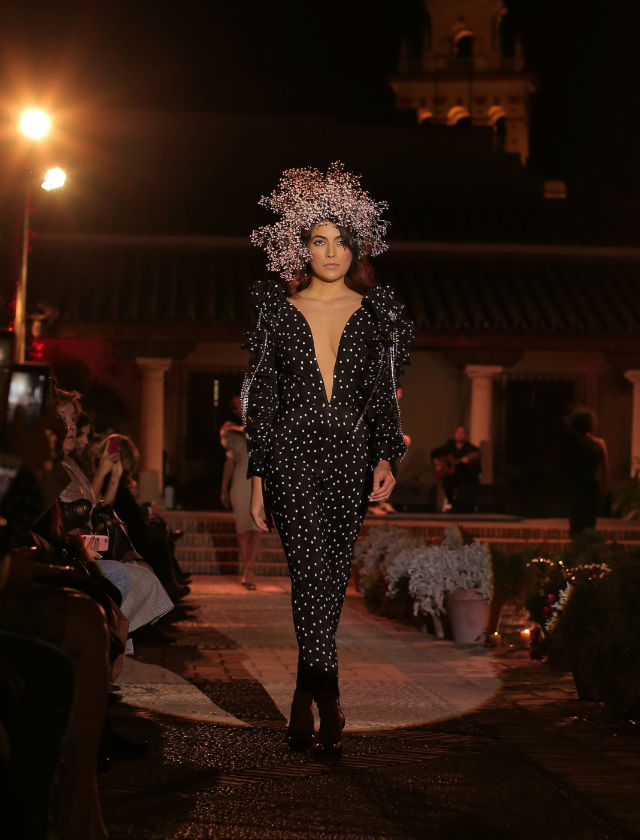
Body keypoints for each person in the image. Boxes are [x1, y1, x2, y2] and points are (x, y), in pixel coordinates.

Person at [245, 162, 413, 754]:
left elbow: (384, 392)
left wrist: (387, 455)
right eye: (320, 240)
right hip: (290, 456)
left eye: (342, 240)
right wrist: (259, 473)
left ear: (357, 245)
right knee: (310, 574)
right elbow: (261, 397)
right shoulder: (276, 312)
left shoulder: (377, 314)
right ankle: (331, 699)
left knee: (327, 581)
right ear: (303, 246)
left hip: (349, 456)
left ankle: (300, 696)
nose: (332, 251)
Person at [220, 395, 261, 589]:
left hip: (260, 481)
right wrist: (224, 489)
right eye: (237, 406)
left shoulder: (262, 422)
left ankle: (250, 569)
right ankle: (246, 567)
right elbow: (229, 462)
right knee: (244, 530)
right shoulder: (229, 430)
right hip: (240, 481)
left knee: (257, 528)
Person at [561, 407, 609, 537]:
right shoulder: (598, 445)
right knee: (589, 526)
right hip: (590, 489)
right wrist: (603, 493)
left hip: (575, 489)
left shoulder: (570, 445)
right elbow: (605, 473)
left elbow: (564, 469)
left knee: (576, 527)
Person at [431, 426, 481, 512]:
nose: (460, 435)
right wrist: (436, 461)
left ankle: (463, 506)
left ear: (466, 435)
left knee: (467, 481)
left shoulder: (471, 449)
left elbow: (478, 466)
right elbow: (434, 452)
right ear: (455, 434)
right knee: (446, 480)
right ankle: (452, 503)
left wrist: (468, 462)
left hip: (465, 474)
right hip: (451, 475)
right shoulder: (449, 446)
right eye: (458, 432)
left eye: (462, 433)